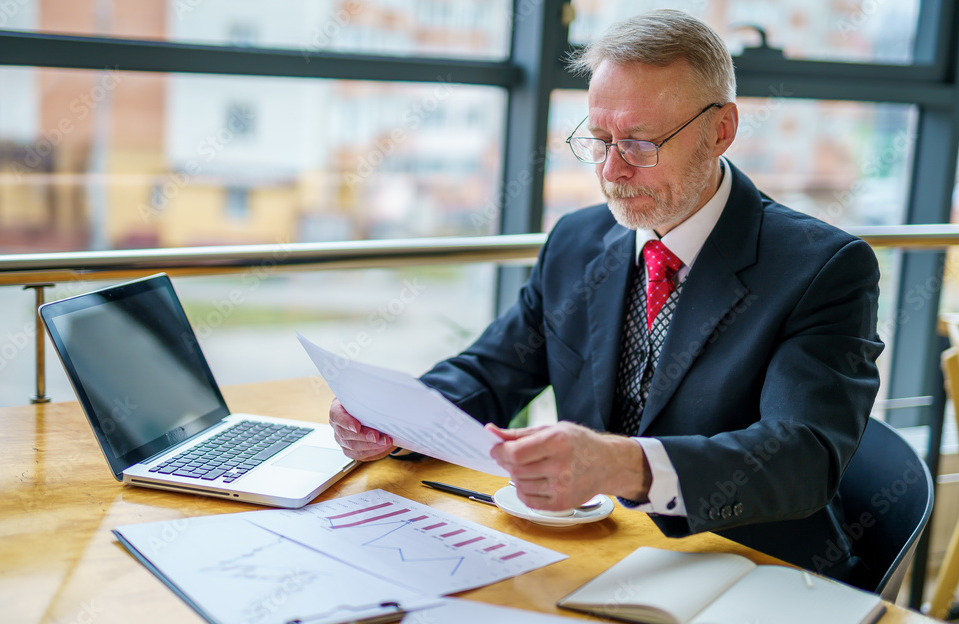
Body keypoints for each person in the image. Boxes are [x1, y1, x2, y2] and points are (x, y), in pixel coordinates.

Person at [329, 9, 883, 585]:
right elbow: (492, 371)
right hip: (597, 554)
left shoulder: (821, 267)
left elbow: (802, 458)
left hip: (754, 574)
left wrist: (625, 466)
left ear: (721, 129)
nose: (613, 171)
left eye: (642, 143)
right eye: (599, 141)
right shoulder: (577, 240)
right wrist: (395, 420)